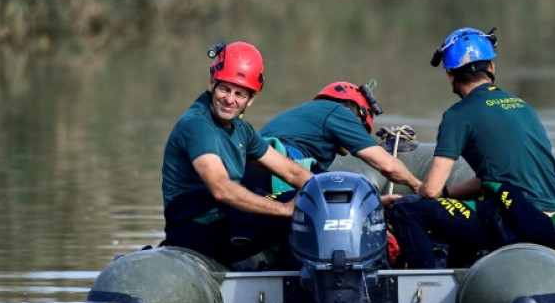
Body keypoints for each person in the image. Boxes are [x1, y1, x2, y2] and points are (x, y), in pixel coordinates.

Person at [386, 27, 555, 285]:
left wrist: (420, 189)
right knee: (468, 210)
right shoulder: (521, 106)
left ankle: (422, 291)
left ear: (450, 76)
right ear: (491, 67)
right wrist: (448, 195)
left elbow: (430, 190)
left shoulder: (458, 115)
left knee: (405, 211)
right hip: (552, 220)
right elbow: (492, 177)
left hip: (513, 221)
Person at [160, 41, 313, 267]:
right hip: (194, 229)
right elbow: (221, 188)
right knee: (301, 218)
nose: (230, 100)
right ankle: (299, 297)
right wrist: (284, 210)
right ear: (212, 84)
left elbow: (291, 171)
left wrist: (345, 197)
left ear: (251, 99)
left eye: (240, 94)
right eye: (225, 89)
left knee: (305, 205)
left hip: (223, 220)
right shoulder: (197, 124)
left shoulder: (242, 130)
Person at [252, 81, 422, 193]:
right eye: (360, 127)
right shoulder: (338, 112)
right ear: (353, 114)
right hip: (281, 169)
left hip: (253, 171)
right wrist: (417, 185)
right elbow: (387, 165)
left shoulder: (304, 114)